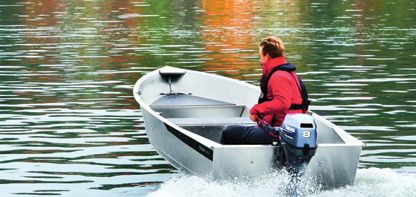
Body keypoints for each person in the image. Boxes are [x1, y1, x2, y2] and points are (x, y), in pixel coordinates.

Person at [220, 37, 309, 144]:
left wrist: (256, 110)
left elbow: (283, 103)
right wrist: (261, 116)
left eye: (260, 56)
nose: (260, 60)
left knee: (229, 132)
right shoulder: (287, 73)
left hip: (278, 132)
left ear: (267, 57)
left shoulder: (278, 76)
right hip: (286, 129)